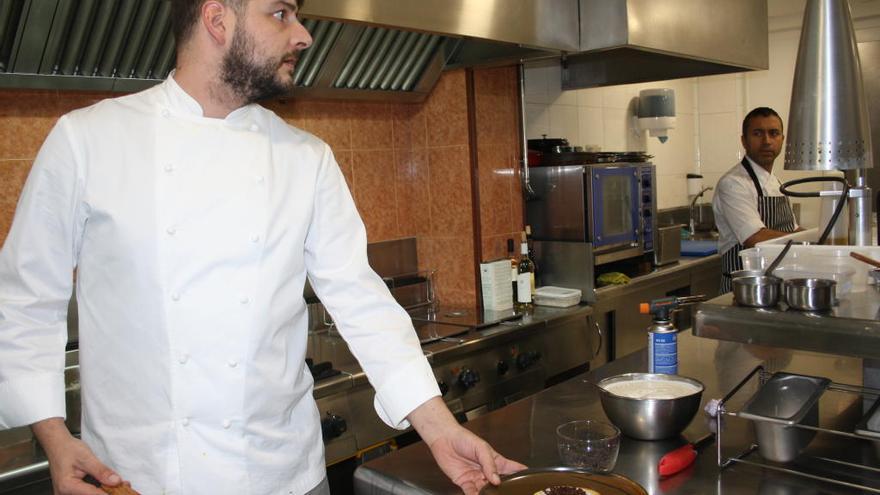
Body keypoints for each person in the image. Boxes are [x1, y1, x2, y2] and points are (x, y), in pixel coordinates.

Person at [0, 1, 526, 494]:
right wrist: (53, 437)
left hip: (284, 477)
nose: (303, 34)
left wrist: (437, 429)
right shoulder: (87, 140)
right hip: (138, 477)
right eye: (280, 13)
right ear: (217, 19)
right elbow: (28, 299)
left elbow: (359, 299)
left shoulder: (306, 158)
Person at [712, 107, 801, 293]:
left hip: (776, 287)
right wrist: (809, 241)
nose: (767, 141)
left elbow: (793, 230)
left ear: (782, 140)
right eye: (758, 133)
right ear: (744, 140)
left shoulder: (777, 183)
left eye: (774, 133)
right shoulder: (733, 183)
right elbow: (755, 238)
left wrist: (825, 239)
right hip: (743, 292)